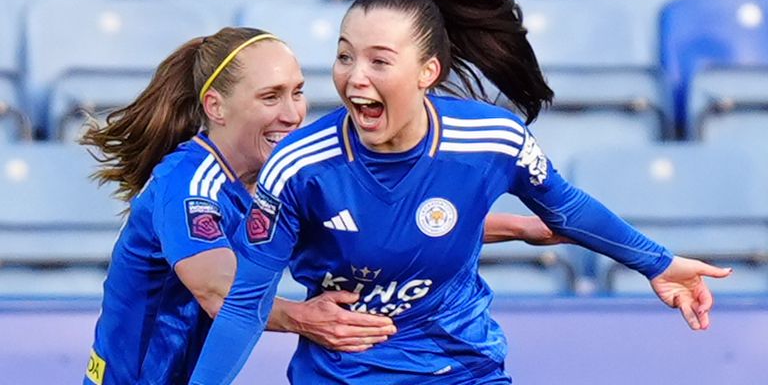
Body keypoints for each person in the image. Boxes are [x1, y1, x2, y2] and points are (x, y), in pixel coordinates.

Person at [189, 0, 733, 385]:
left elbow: (565, 208)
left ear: (429, 73)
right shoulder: (299, 166)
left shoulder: (492, 141)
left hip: (462, 367)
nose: (355, 78)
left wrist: (657, 264)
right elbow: (244, 302)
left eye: (379, 61)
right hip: (343, 376)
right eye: (344, 56)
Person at [81, 26, 564, 384]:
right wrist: (303, 317)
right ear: (216, 107)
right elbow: (215, 289)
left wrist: (520, 228)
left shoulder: (275, 182)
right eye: (271, 97)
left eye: (297, 93)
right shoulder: (189, 184)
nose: (293, 114)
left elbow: (382, 232)